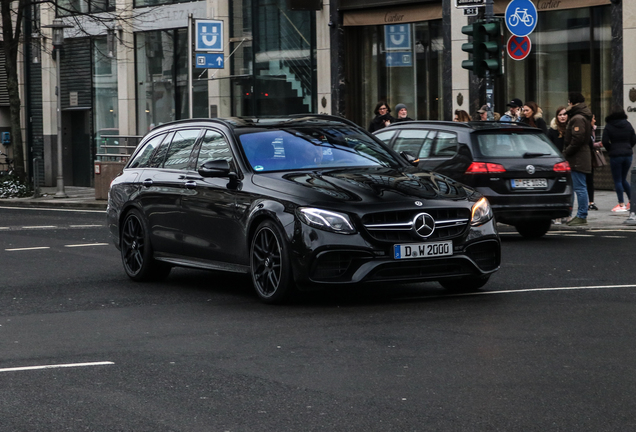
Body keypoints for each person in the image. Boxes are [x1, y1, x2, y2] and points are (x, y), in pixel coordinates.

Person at [563, 92, 593, 226]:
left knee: (580, 187)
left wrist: (566, 152)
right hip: (580, 156)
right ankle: (578, 214)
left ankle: (581, 215)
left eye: (568, 102)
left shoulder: (577, 118)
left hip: (578, 157)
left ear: (572, 102)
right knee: (578, 186)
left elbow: (577, 139)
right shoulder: (582, 115)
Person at [602, 105, 636, 212]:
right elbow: (633, 138)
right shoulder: (628, 124)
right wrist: (628, 147)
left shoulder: (609, 126)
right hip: (627, 154)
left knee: (617, 180)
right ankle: (632, 201)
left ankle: (621, 204)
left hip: (615, 155)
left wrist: (611, 149)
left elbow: (605, 141)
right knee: (623, 179)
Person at [587, 114, 601, 211]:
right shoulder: (586, 130)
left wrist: (597, 144)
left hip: (590, 158)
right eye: (593, 119)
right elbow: (590, 144)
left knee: (590, 180)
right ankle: (587, 202)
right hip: (585, 158)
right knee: (586, 181)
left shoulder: (592, 129)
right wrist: (598, 144)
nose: (595, 120)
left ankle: (591, 202)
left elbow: (591, 143)